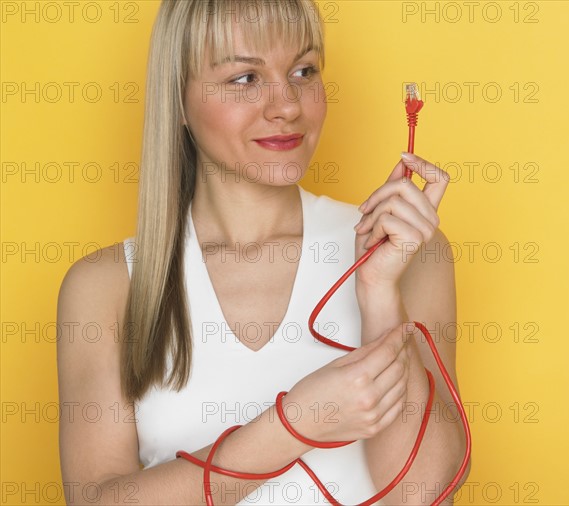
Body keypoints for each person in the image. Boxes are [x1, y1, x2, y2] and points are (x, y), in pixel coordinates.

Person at [57, 1, 470, 505]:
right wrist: (293, 426)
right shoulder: (107, 286)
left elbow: (421, 496)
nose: (287, 105)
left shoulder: (406, 252)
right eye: (245, 78)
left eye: (303, 70)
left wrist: (379, 293)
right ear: (179, 102)